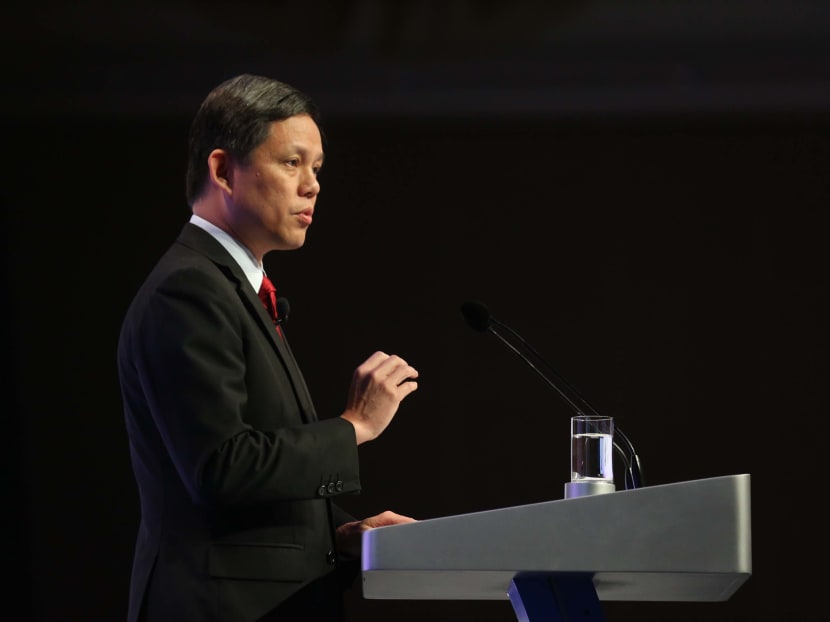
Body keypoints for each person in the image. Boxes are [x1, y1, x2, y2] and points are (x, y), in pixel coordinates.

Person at [117, 73, 420, 622]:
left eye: (318, 168)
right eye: (292, 163)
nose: (313, 186)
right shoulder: (188, 289)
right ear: (222, 170)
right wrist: (355, 426)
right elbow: (220, 469)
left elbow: (246, 487)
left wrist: (341, 534)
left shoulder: (232, 288)